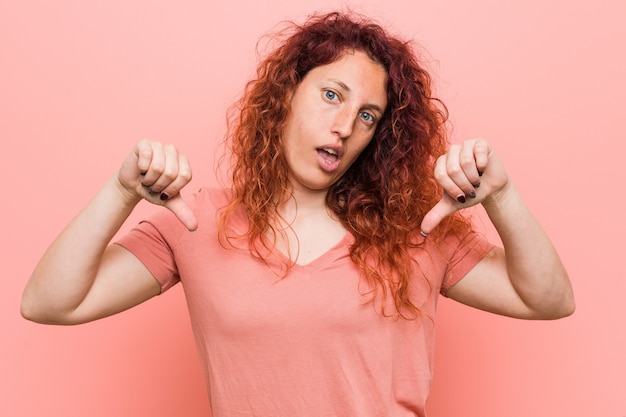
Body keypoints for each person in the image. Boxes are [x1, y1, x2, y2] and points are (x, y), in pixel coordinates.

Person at [21, 11, 574, 417]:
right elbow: (48, 302)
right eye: (332, 95)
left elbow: (547, 300)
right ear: (286, 94)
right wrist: (122, 190)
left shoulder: (417, 231)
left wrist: (500, 195)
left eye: (367, 115)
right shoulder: (193, 223)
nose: (345, 126)